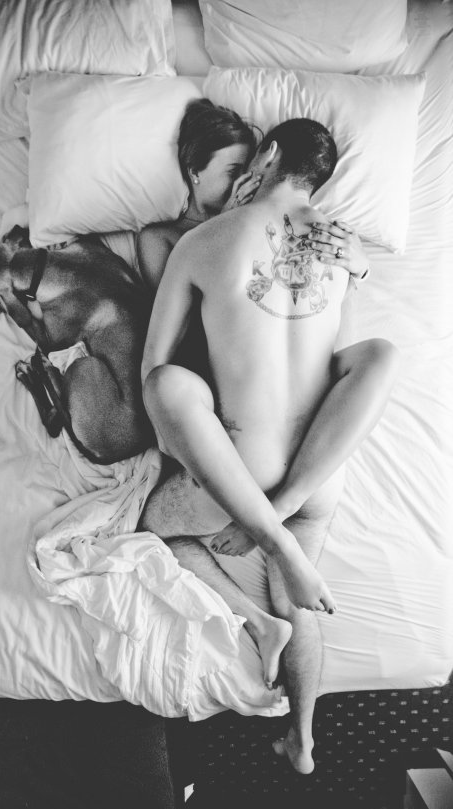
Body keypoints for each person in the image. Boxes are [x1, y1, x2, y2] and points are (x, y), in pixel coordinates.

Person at [139, 116, 400, 773]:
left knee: (157, 526)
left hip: (243, 464)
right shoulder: (343, 251)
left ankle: (264, 577)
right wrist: (359, 269)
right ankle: (303, 740)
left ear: (270, 153)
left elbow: (154, 363)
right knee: (296, 595)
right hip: (319, 469)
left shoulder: (202, 241)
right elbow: (341, 357)